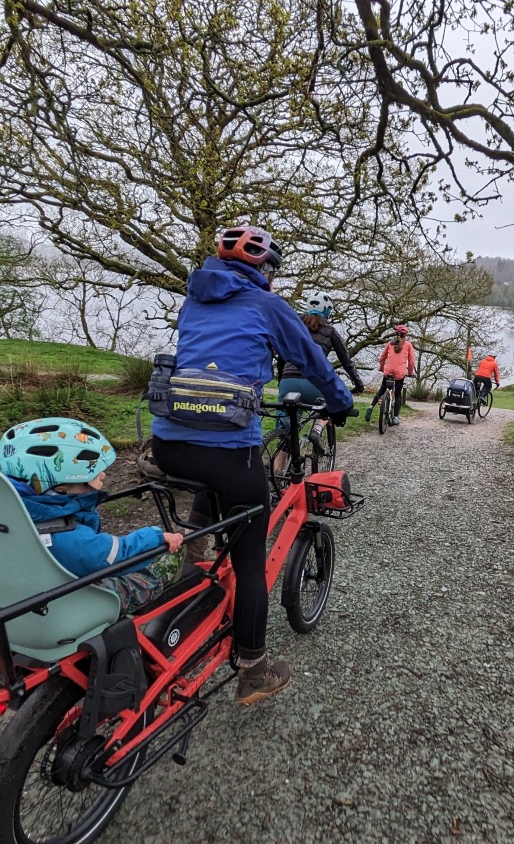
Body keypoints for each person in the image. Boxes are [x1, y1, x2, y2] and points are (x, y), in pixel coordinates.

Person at [149, 224, 353, 705]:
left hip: (168, 445)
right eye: (271, 270)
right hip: (225, 449)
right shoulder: (268, 305)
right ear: (262, 269)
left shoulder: (194, 300)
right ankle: (254, 670)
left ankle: (191, 564)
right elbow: (314, 363)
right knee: (250, 560)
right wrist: (340, 402)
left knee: (212, 475)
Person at [0, 416, 184, 613]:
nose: (103, 475)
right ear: (62, 487)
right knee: (163, 561)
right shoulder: (64, 537)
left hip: (15, 595)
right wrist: (157, 537)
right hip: (69, 608)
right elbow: (116, 556)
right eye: (94, 473)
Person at [274, 293, 366, 470]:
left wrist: (281, 380)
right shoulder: (330, 331)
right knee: (329, 407)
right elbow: (346, 361)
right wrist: (358, 384)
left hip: (288, 381)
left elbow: (281, 356)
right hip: (314, 383)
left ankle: (276, 476)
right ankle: (318, 427)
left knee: (286, 433)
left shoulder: (294, 326)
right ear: (328, 310)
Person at [368, 324, 415, 424]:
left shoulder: (390, 343)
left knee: (382, 389)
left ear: (396, 334)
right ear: (405, 335)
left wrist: (381, 368)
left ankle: (371, 407)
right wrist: (410, 373)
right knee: (397, 395)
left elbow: (382, 357)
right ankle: (395, 417)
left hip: (388, 371)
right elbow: (411, 362)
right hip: (399, 374)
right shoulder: (408, 345)